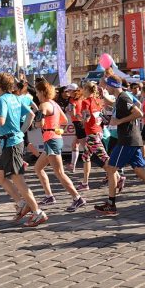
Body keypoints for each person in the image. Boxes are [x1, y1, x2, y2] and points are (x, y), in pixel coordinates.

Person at [94, 75, 145, 216]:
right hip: (132, 139)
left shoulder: (123, 97)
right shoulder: (121, 99)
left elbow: (139, 113)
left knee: (111, 169)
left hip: (127, 140)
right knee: (140, 171)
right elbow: (130, 109)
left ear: (112, 85)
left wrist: (119, 121)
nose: (106, 88)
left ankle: (111, 205)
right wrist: (112, 119)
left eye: (107, 86)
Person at [0, 73, 46, 227]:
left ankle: (37, 212)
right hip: (12, 143)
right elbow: (31, 114)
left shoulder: (2, 100)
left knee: (18, 180)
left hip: (11, 144)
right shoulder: (15, 98)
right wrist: (21, 131)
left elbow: (0, 121)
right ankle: (22, 203)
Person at [32, 79, 86, 212]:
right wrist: (54, 126)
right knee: (38, 168)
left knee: (60, 173)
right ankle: (49, 196)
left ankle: (77, 198)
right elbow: (64, 120)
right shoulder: (54, 103)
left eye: (37, 92)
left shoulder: (44, 105)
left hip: (52, 141)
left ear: (42, 92)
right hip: (53, 139)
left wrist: (37, 122)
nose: (37, 95)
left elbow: (39, 124)